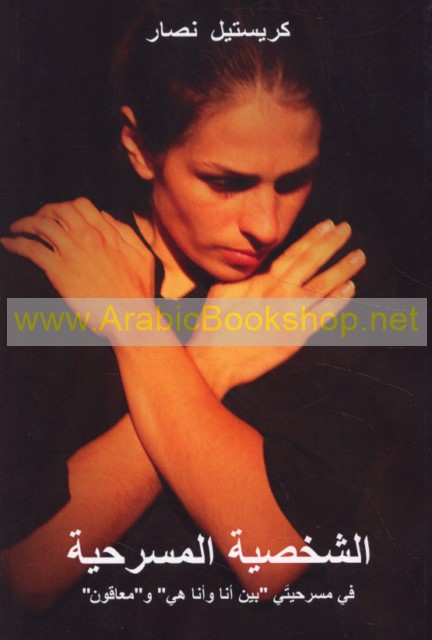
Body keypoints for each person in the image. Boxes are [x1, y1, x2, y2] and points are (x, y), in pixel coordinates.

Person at [0, 1, 420, 639]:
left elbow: (269, 554)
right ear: (140, 147)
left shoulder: (332, 282)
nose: (266, 225)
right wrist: (212, 356)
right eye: (226, 183)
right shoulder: (43, 279)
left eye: (294, 180)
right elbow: (26, 573)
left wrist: (136, 328)